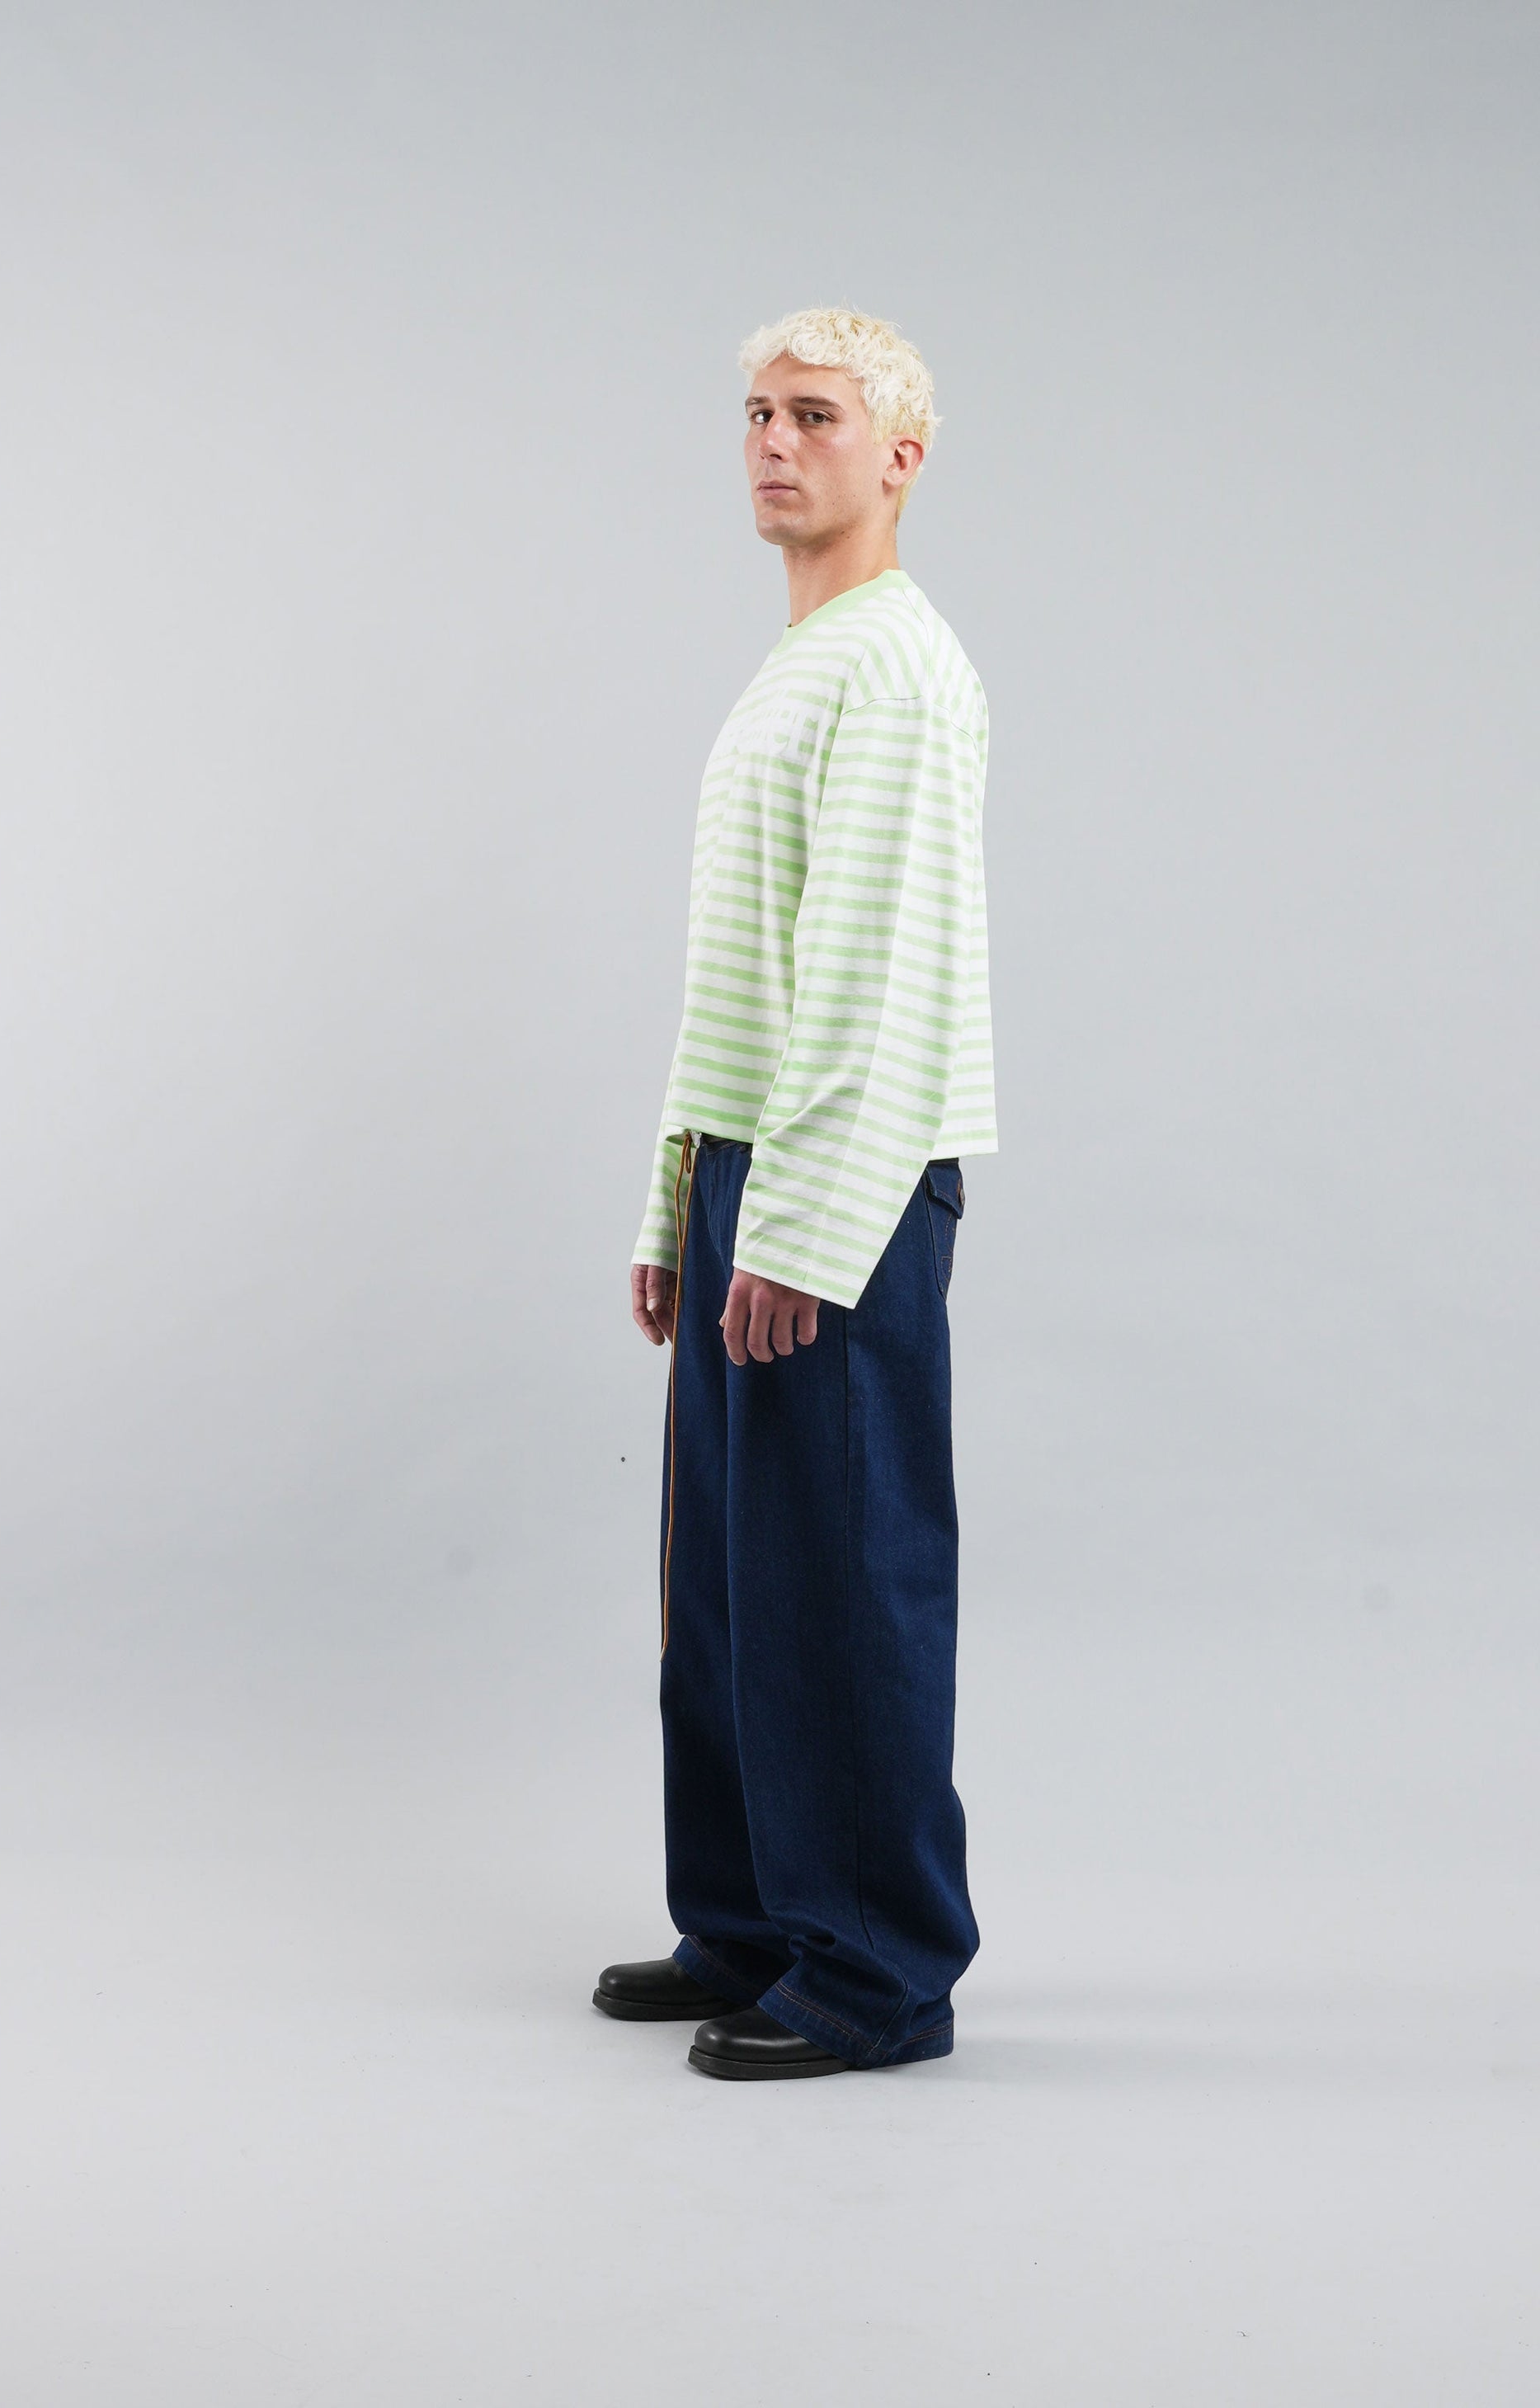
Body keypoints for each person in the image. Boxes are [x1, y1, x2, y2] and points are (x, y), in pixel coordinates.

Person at [594, 307, 996, 2080]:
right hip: (752, 1163)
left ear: (899, 456)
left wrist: (809, 1226)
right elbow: (742, 975)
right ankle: (754, 1925)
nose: (772, 442)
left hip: (843, 1176)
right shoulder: (802, 660)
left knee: (840, 1578)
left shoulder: (893, 665)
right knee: (732, 1588)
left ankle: (876, 1969)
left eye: (814, 415)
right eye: (756, 413)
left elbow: (870, 976)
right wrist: (675, 1196)